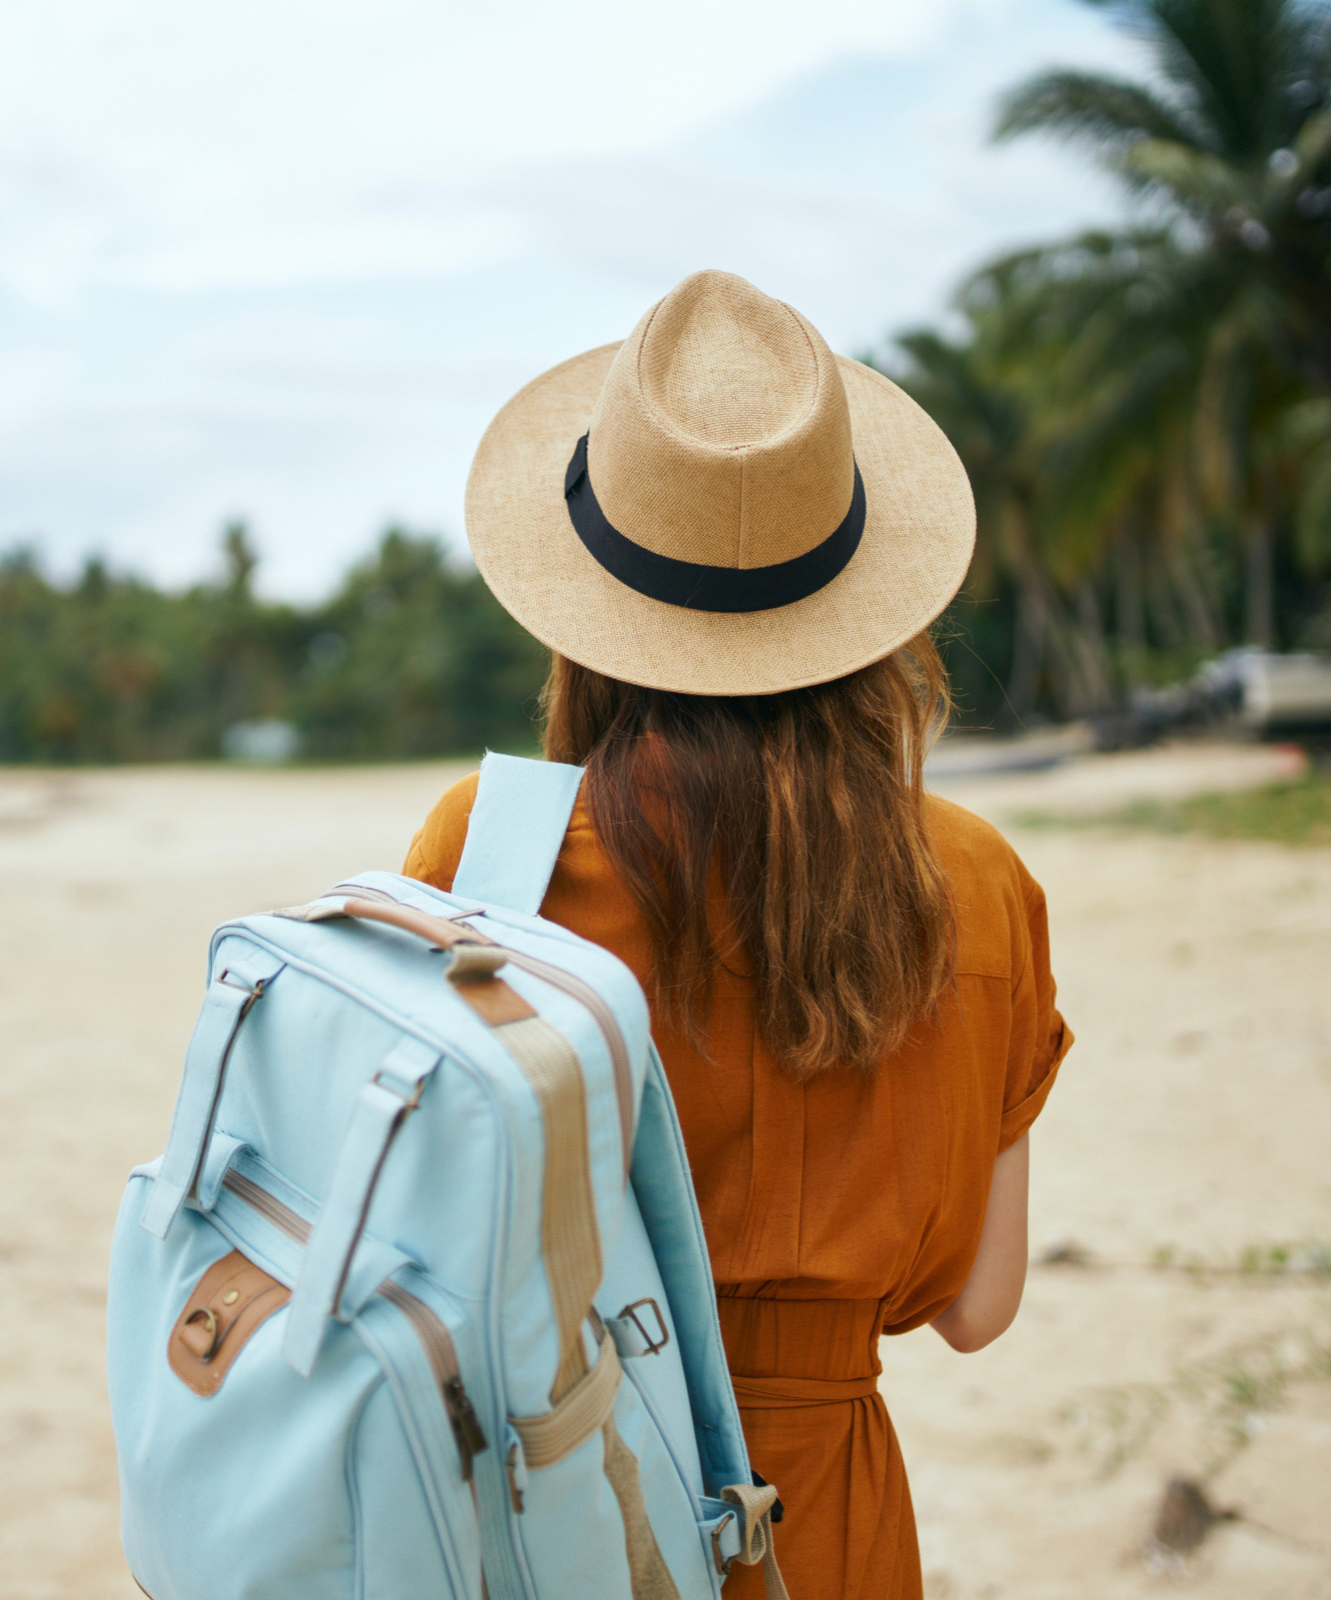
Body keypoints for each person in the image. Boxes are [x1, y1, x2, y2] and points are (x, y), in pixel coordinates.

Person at [403, 270, 1071, 1600]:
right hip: (829, 1525)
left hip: (565, 1500)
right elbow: (979, 1310)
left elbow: (417, 1243)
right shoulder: (981, 887)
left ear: (592, 597)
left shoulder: (498, 849)